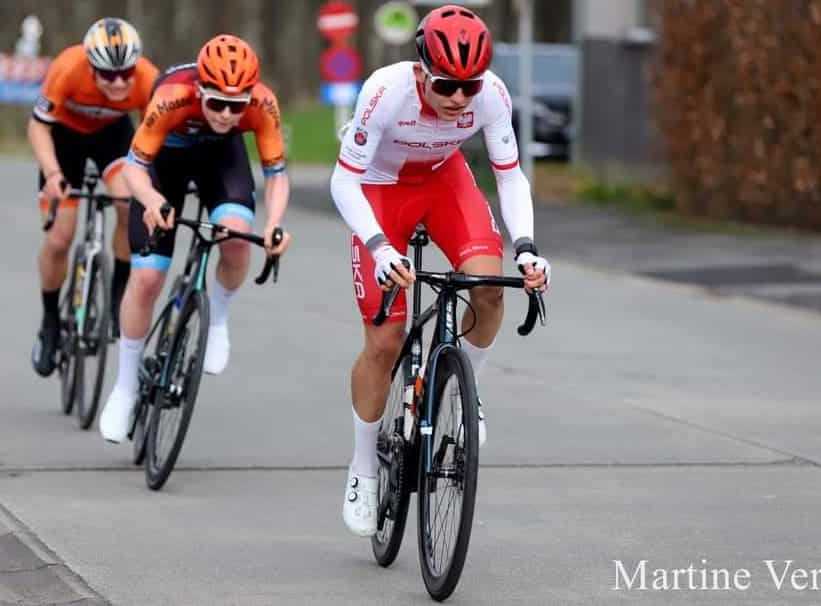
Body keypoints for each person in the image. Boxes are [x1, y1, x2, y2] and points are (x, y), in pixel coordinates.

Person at [329, 5, 552, 537]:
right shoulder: (385, 92)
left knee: (490, 289)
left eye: (469, 86)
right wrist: (381, 248)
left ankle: (461, 389)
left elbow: (511, 177)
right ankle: (362, 467)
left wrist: (526, 249)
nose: (459, 98)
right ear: (422, 71)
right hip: (380, 193)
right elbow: (343, 181)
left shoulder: (492, 95)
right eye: (448, 85)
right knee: (385, 342)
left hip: (442, 181)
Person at [97, 34, 292, 443]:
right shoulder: (171, 95)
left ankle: (217, 318)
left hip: (220, 160)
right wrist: (151, 201)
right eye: (216, 102)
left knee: (238, 239)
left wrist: (274, 223)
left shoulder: (262, 104)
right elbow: (135, 169)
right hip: (162, 163)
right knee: (148, 278)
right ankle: (126, 386)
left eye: (235, 106)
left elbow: (276, 175)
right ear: (199, 89)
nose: (225, 114)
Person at [29, 18, 159, 378]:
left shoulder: (149, 78)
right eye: (107, 74)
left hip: (114, 138)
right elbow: (38, 125)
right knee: (59, 239)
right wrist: (53, 175)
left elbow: (157, 137)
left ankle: (118, 289)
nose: (118, 82)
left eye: (126, 73)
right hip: (64, 140)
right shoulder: (68, 68)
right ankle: (51, 320)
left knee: (125, 200)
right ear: (90, 66)